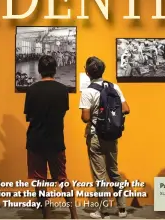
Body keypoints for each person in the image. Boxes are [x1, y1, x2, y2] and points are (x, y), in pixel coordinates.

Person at [24, 55, 78, 219]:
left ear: (39, 70)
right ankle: (74, 215)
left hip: (36, 140)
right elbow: (62, 112)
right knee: (62, 178)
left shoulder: (32, 90)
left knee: (40, 179)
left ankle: (46, 214)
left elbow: (29, 117)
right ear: (55, 69)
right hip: (56, 140)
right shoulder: (63, 89)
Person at [79, 57, 130, 219]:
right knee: (114, 171)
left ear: (87, 72)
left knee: (100, 174)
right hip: (112, 135)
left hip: (95, 136)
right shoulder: (113, 86)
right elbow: (126, 109)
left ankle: (104, 211)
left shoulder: (87, 91)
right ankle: (122, 209)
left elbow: (85, 118)